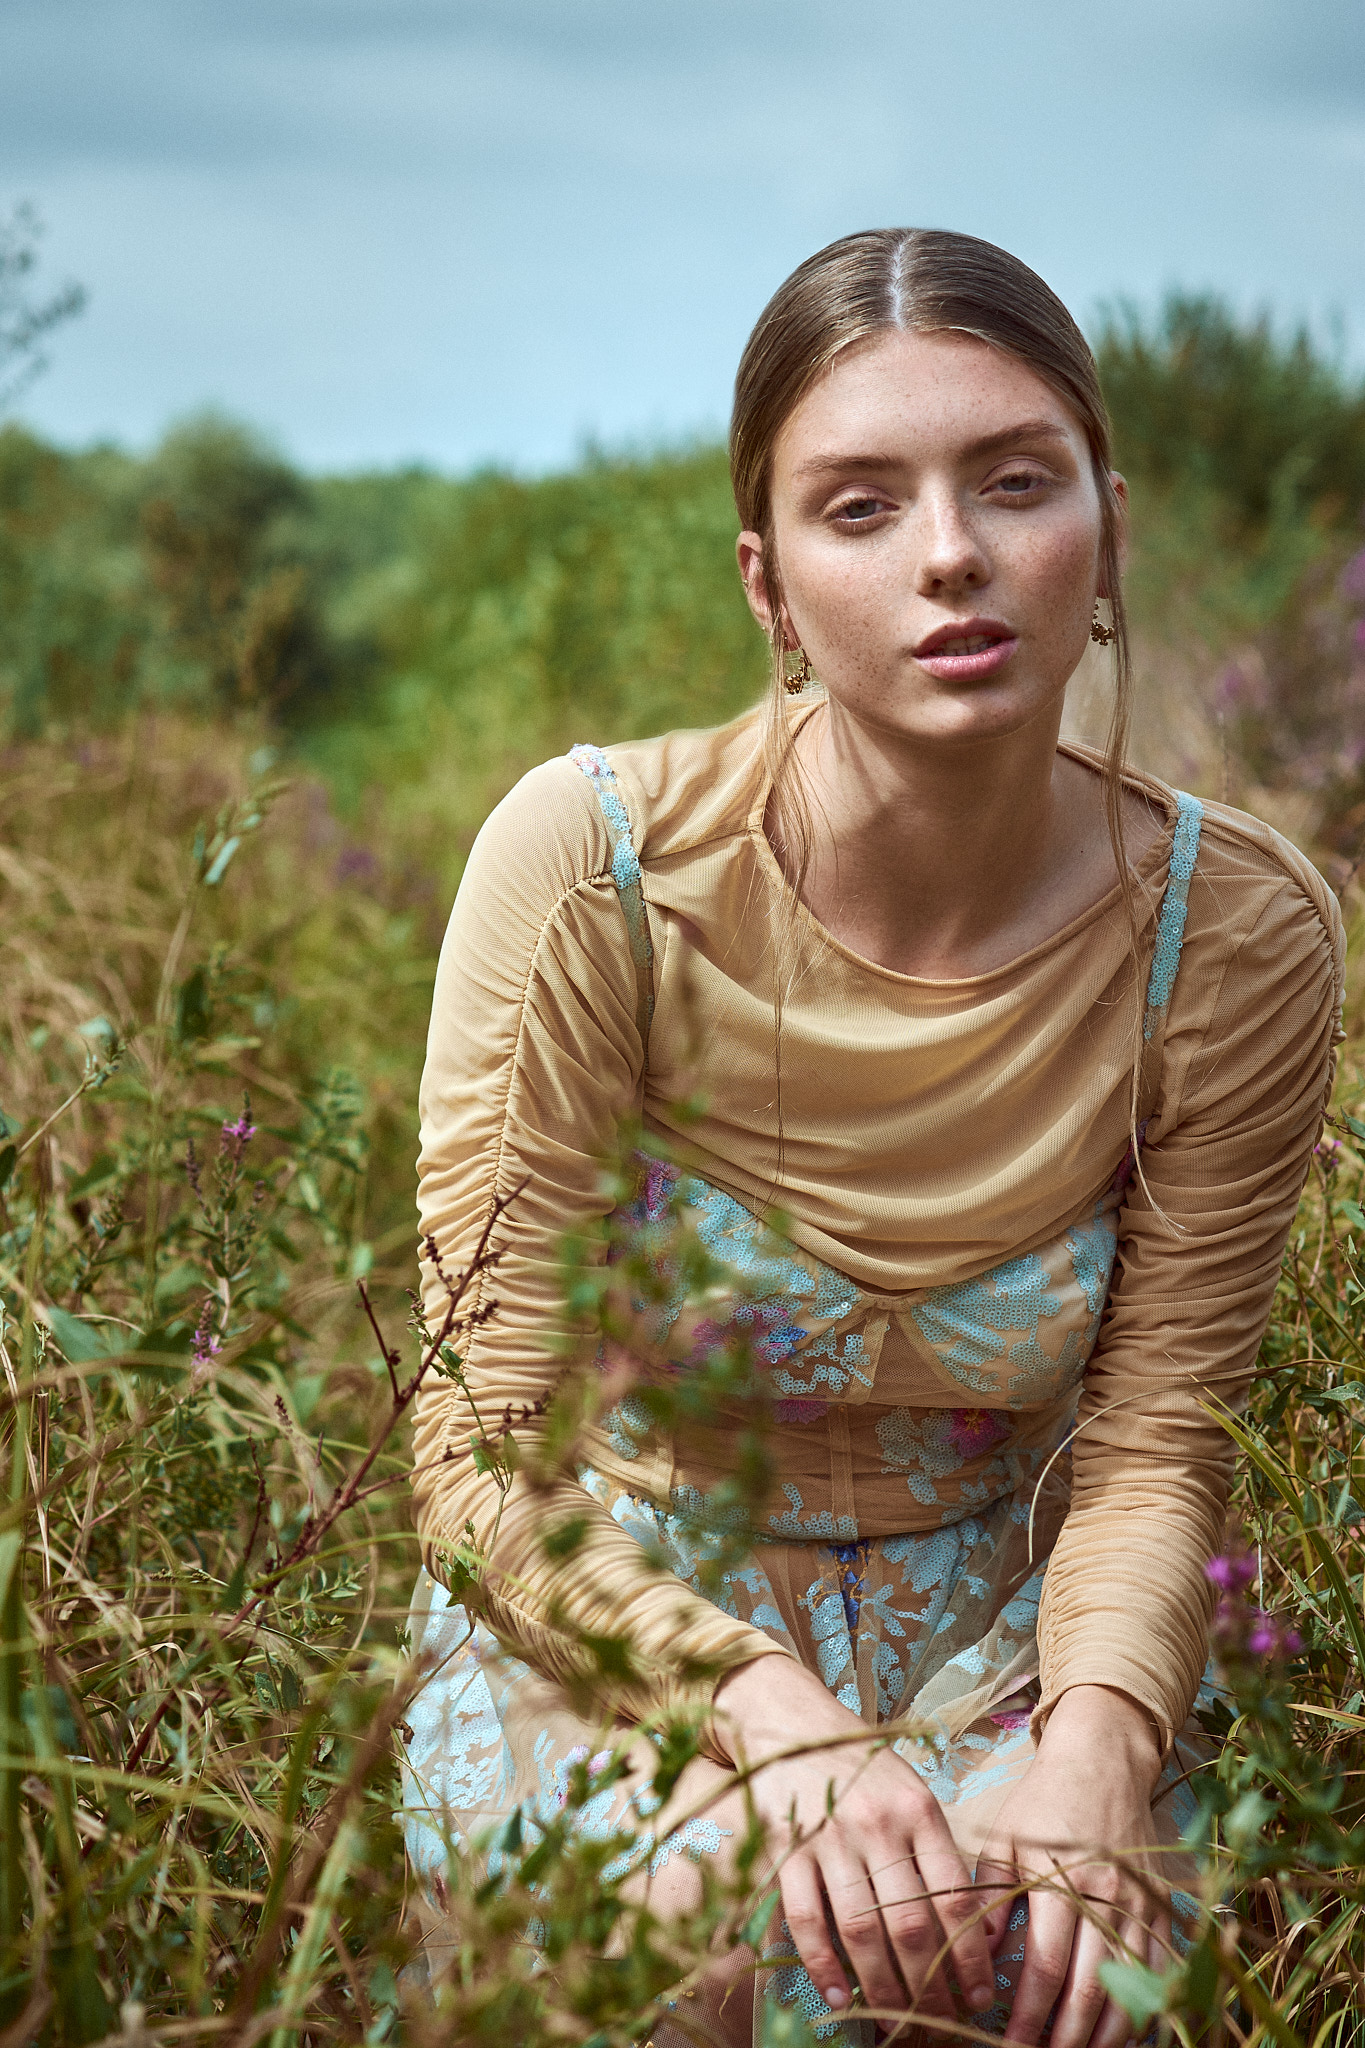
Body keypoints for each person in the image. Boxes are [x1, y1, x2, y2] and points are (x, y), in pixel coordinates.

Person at [402, 229, 1344, 2047]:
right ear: (767, 583)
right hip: (630, 1607)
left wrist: (1095, 1745)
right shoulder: (596, 869)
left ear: (1106, 528)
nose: (949, 557)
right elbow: (473, 1451)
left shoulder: (1232, 931)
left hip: (1020, 1610)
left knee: (1069, 1961)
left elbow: (1155, 1449)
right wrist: (761, 1721)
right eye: (858, 507)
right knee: (695, 1931)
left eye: (1013, 482)